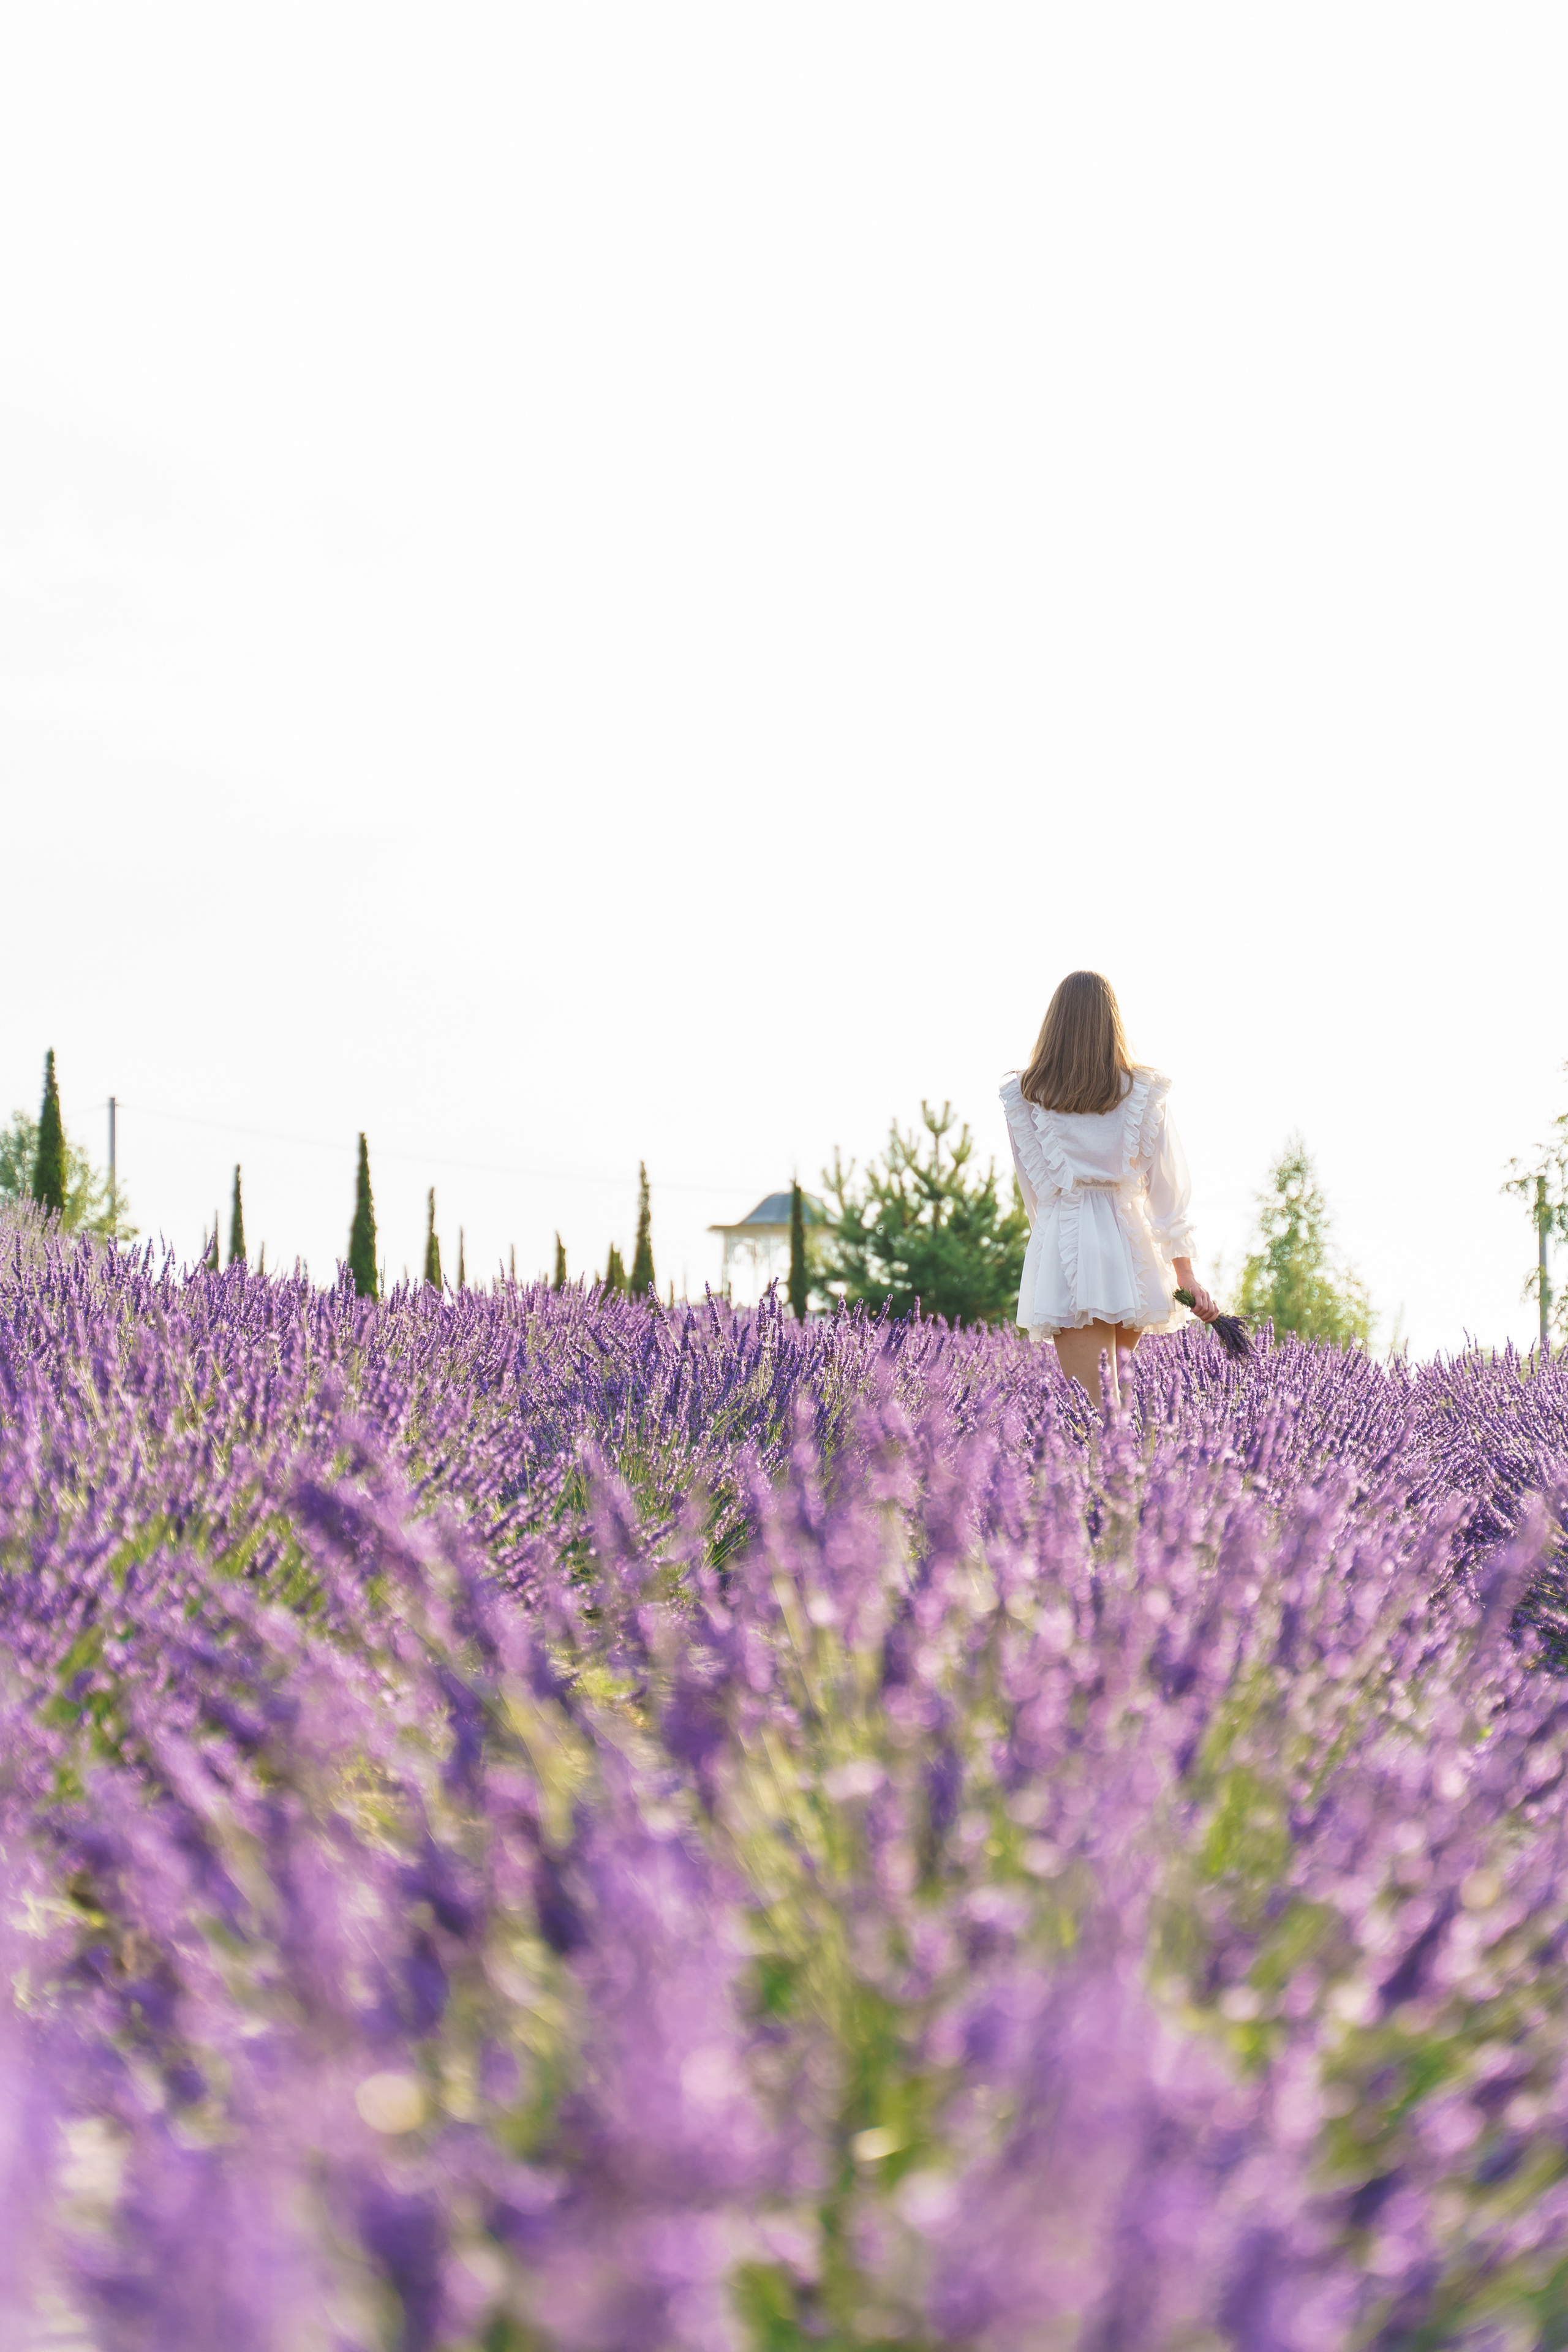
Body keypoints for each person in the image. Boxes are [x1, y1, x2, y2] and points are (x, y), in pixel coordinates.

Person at [1000, 970, 1218, 1407]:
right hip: (1130, 1250)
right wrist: (1184, 1273)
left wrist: (1049, 1250)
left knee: (1095, 1415)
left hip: (1067, 1245)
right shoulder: (1143, 1092)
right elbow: (1167, 1190)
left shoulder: (1024, 1096)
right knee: (1113, 1408)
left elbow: (1036, 1195)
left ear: (1054, 1024)